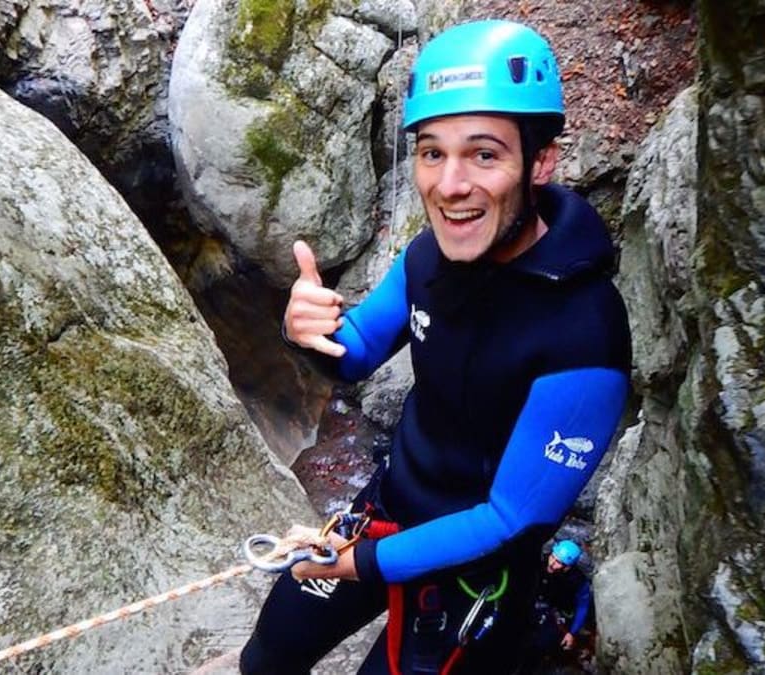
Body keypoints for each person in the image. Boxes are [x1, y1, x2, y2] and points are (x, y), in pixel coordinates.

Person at [240, 18, 631, 675]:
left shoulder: (584, 335)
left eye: (483, 153)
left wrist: (364, 561)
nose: (450, 186)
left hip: (474, 574)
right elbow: (359, 349)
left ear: (540, 161)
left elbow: (510, 519)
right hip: (388, 507)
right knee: (269, 652)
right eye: (431, 152)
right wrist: (308, 329)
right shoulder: (428, 256)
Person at [522, 540, 595, 674]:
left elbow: (582, 606)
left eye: (558, 563)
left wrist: (572, 632)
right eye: (552, 558)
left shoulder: (577, 581)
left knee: (541, 643)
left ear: (567, 567)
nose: (552, 564)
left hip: (555, 612)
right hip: (533, 602)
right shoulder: (541, 562)